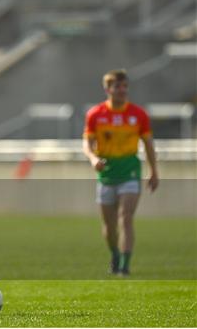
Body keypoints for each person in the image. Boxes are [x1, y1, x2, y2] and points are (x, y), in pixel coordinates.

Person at [83, 69, 159, 276]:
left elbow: (149, 144)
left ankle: (125, 265)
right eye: (118, 86)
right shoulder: (95, 114)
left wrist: (154, 171)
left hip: (130, 172)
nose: (122, 90)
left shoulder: (138, 114)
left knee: (125, 217)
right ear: (107, 89)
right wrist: (93, 159)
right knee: (109, 226)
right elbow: (87, 144)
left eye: (125, 86)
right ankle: (115, 254)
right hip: (106, 174)